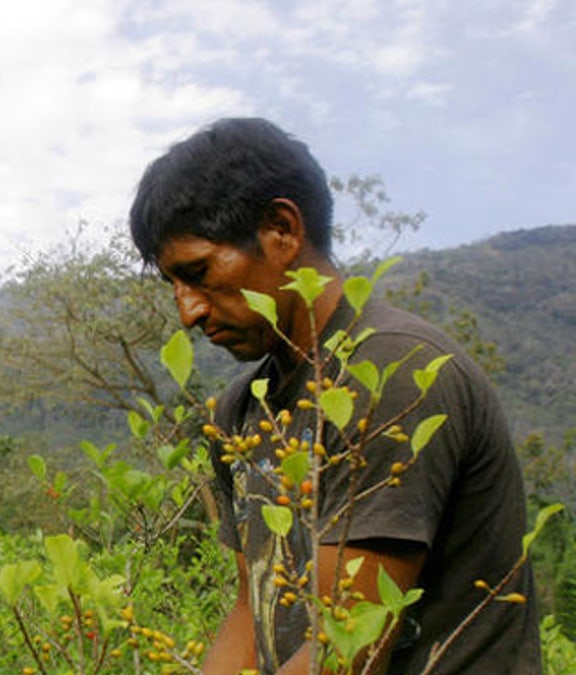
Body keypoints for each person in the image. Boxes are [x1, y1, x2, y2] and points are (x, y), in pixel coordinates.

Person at [128, 118, 541, 674]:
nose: (188, 311)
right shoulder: (244, 410)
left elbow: (347, 646)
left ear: (282, 229)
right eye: (173, 285)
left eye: (200, 272)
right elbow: (255, 611)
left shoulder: (392, 372)